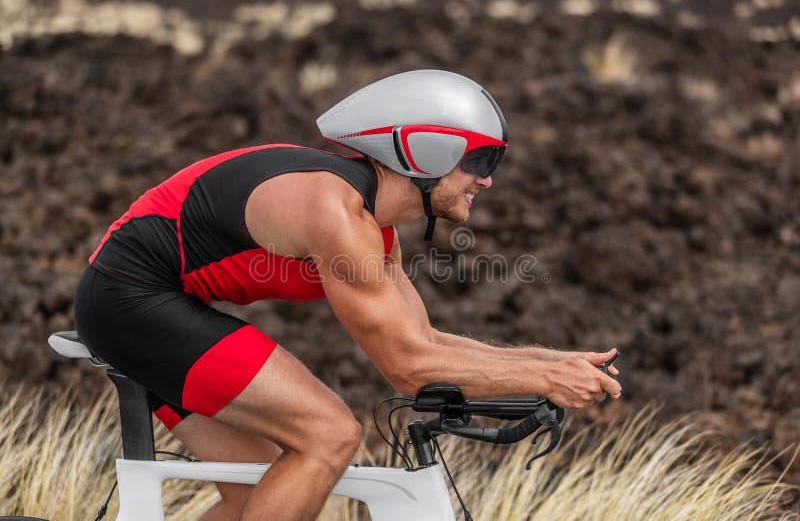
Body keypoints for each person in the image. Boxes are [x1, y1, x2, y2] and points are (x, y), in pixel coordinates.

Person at [73, 70, 621, 521]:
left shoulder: (375, 231)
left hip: (162, 304)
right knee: (328, 436)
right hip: (132, 299)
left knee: (258, 497)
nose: (487, 182)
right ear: (427, 152)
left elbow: (424, 340)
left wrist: (551, 362)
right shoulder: (335, 214)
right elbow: (410, 370)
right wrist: (546, 380)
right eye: (480, 162)